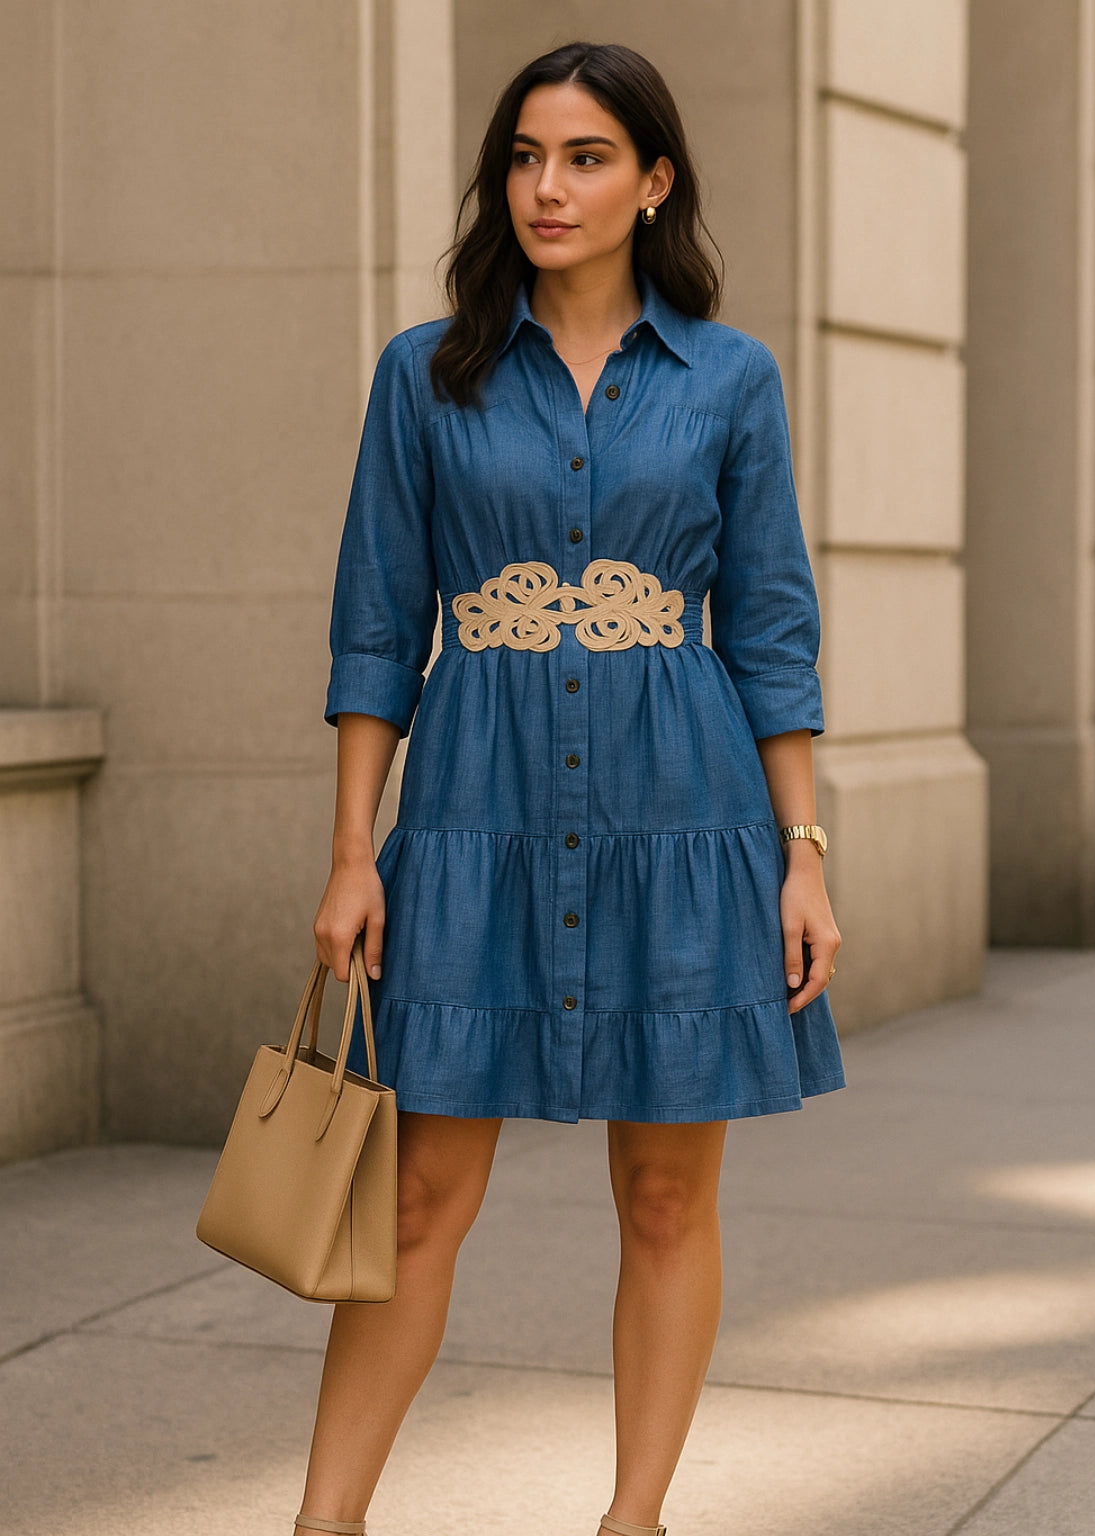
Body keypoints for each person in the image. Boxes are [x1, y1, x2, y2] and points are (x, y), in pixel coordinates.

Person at [297, 39, 844, 1536]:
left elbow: (774, 628)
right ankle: (323, 1521)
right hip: (473, 819)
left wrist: (802, 853)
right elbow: (373, 623)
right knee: (414, 1206)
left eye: (587, 157)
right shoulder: (426, 373)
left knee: (667, 1201)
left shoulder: (731, 378)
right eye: (527, 157)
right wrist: (356, 853)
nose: (548, 186)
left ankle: (634, 1519)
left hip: (688, 822)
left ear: (653, 181)